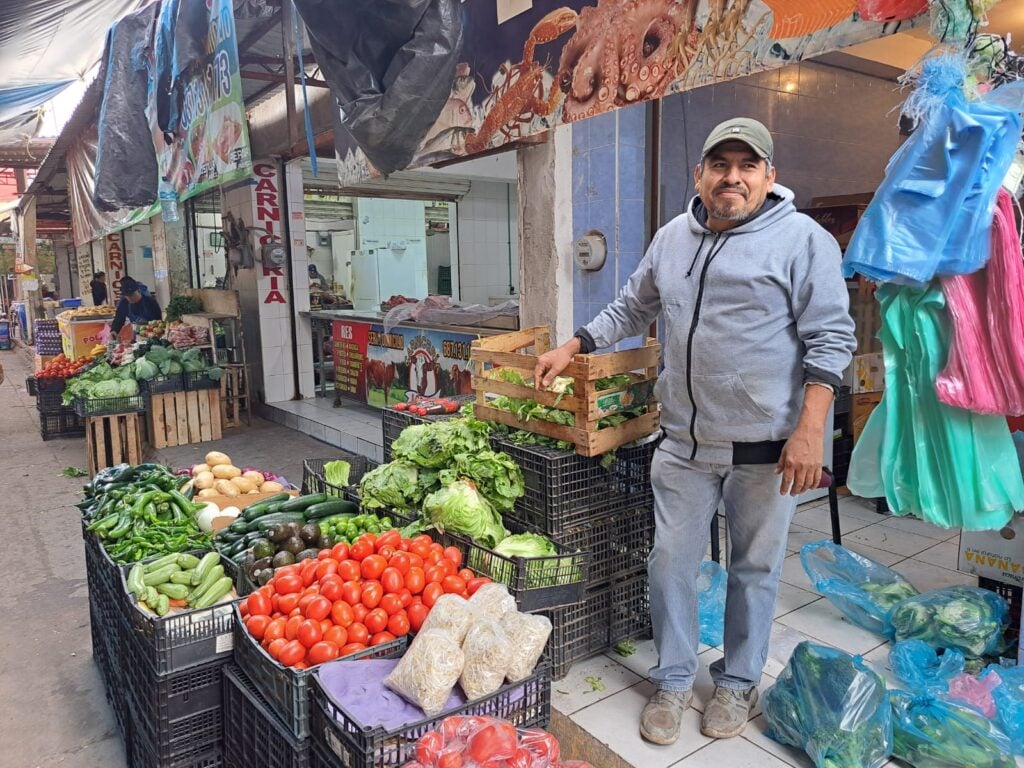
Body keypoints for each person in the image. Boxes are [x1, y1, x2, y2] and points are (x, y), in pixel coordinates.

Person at [535, 117, 856, 746]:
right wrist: (571, 345)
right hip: (681, 444)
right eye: (720, 165)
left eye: (746, 166)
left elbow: (831, 338)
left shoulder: (803, 241)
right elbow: (632, 305)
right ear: (700, 175)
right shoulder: (672, 238)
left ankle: (737, 682)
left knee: (754, 570)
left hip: (766, 449)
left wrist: (810, 430)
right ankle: (675, 679)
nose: (731, 177)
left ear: (769, 176)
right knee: (669, 566)